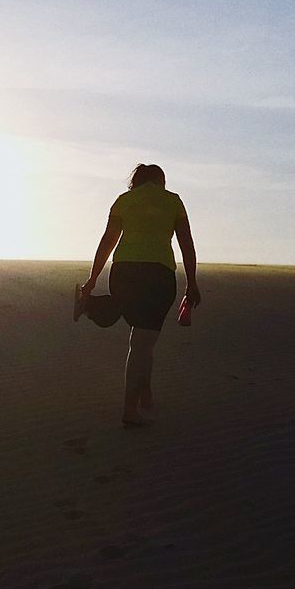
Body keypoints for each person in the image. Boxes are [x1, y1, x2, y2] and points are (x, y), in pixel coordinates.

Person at [73, 164, 199, 427]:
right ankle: (130, 411)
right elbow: (186, 243)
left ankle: (145, 394)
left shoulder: (123, 201)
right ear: (159, 181)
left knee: (143, 338)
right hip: (158, 275)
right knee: (143, 341)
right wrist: (192, 282)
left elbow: (107, 241)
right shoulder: (173, 201)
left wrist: (92, 279)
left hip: (123, 272)